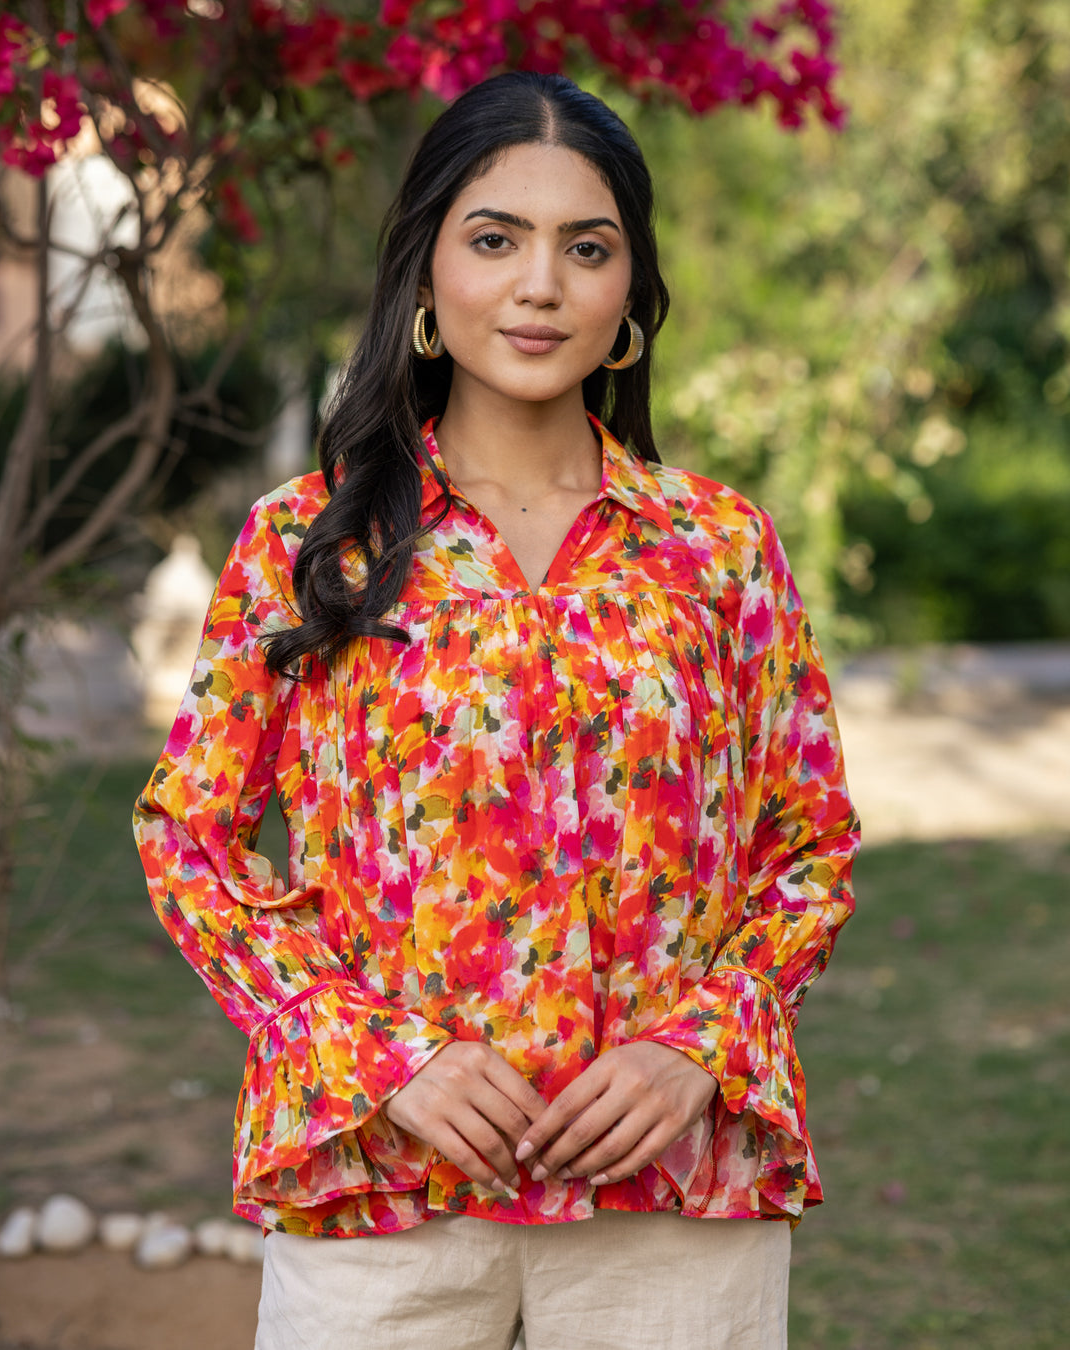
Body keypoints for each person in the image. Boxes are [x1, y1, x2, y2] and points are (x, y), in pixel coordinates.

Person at [134, 70, 859, 1350]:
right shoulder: (310, 546)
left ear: (629, 291)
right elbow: (188, 842)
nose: (541, 286)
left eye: (588, 248)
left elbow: (805, 849)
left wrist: (701, 1045)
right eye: (494, 239)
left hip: (673, 1197)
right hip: (384, 1193)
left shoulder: (718, 548)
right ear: (425, 272)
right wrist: (374, 1052)